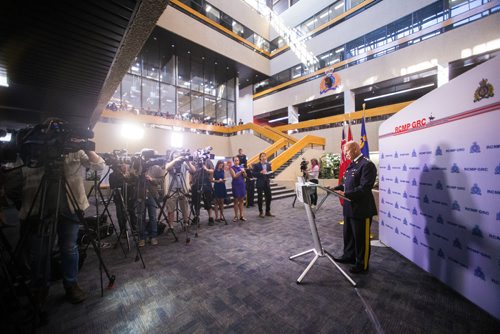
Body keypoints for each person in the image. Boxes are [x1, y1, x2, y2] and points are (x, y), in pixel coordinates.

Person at [19, 148, 105, 304]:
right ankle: (39, 287)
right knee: (40, 252)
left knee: (69, 248)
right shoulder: (37, 143)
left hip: (70, 207)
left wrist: (86, 146)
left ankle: (71, 284)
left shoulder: (75, 148)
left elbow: (99, 166)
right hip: (41, 206)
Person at [333, 141, 377, 274]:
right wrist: (337, 188)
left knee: (360, 239)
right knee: (349, 236)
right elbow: (348, 184)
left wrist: (346, 193)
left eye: (346, 151)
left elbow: (364, 187)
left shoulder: (367, 165)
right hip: (349, 207)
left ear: (355, 149)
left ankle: (361, 264)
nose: (345, 154)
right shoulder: (352, 165)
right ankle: (349, 256)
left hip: (361, 209)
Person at [164, 154, 196, 229]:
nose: (179, 158)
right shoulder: (171, 164)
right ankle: (171, 226)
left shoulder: (184, 164)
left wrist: (188, 162)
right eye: (176, 156)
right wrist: (175, 160)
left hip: (182, 189)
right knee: (170, 209)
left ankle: (186, 222)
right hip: (172, 189)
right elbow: (167, 167)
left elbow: (193, 170)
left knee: (184, 207)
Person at [191, 158, 215, 225]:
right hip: (196, 183)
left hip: (206, 183)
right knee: (196, 202)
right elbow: (191, 172)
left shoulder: (208, 161)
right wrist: (191, 182)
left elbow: (212, 170)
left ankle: (210, 218)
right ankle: (196, 217)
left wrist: (206, 169)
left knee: (208, 201)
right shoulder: (194, 161)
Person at [253, 152, 274, 218]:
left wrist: (270, 173)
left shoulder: (268, 164)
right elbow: (253, 174)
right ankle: (261, 212)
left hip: (266, 183)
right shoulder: (256, 165)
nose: (264, 157)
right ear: (260, 158)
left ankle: (267, 211)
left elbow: (270, 172)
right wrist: (260, 172)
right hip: (260, 183)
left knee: (269, 197)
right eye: (262, 156)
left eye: (265, 156)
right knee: (260, 198)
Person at [230, 156, 247, 222]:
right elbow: (234, 177)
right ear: (233, 161)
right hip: (236, 185)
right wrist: (240, 171)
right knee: (236, 201)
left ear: (239, 161)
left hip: (242, 184)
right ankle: (236, 216)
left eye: (237, 160)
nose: (236, 161)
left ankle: (241, 215)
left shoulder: (242, 167)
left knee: (242, 200)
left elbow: (245, 176)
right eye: (235, 160)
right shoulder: (232, 168)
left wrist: (244, 172)